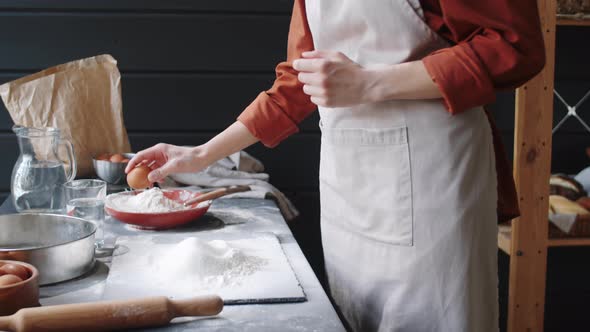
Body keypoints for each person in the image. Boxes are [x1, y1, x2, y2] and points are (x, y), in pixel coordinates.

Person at [126, 0, 545, 330]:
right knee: (352, 314)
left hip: (432, 178)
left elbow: (514, 45)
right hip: (350, 183)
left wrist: (371, 83)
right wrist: (202, 154)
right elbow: (300, 79)